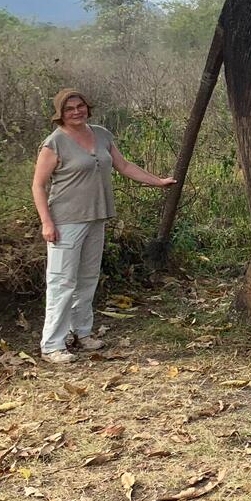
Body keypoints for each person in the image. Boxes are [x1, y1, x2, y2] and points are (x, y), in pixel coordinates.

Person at [31, 89, 176, 364]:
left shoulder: (100, 134)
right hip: (65, 221)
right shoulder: (54, 143)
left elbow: (123, 165)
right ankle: (52, 345)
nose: (77, 112)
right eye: (69, 109)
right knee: (62, 281)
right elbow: (38, 185)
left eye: (80, 106)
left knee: (87, 279)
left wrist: (157, 181)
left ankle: (81, 333)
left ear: (88, 107)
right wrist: (46, 222)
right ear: (60, 114)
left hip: (97, 217)